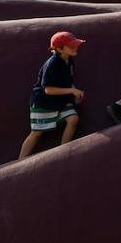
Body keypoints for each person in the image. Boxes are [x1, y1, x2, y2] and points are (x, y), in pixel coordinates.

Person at [19, 31, 85, 159]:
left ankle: (63, 152)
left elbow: (69, 81)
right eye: (71, 46)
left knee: (73, 119)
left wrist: (76, 92)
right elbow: (48, 90)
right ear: (59, 49)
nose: (75, 47)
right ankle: (19, 161)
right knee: (37, 133)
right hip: (43, 102)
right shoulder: (52, 64)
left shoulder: (69, 61)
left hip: (60, 100)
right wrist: (71, 91)